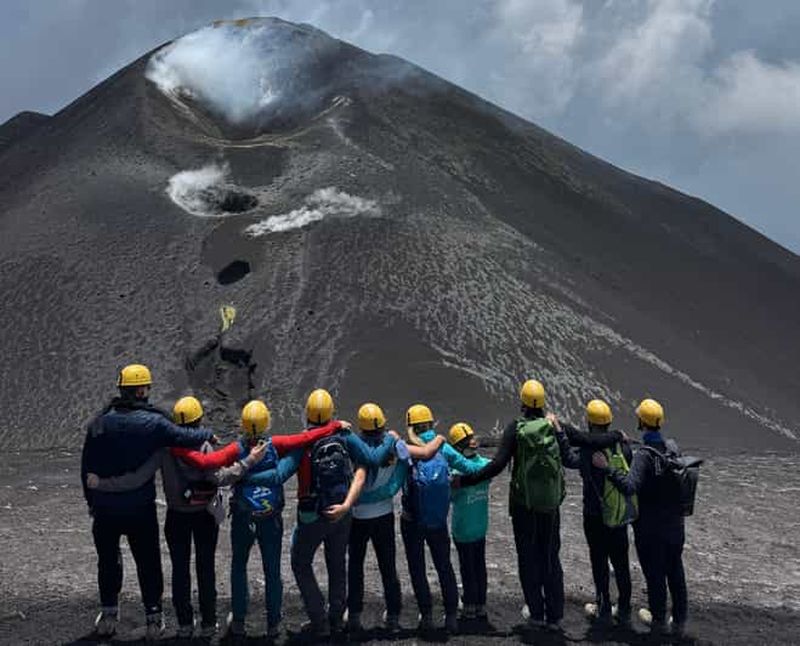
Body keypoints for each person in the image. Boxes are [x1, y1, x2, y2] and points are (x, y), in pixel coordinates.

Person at [86, 395, 266, 639]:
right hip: (204, 517)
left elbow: (138, 478)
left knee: (180, 572)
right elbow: (220, 477)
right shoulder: (204, 447)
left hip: (176, 517)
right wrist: (248, 462)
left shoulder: (164, 449)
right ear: (199, 419)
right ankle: (208, 623)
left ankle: (184, 624)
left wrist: (103, 484)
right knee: (206, 570)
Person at [456, 380, 622, 632]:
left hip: (523, 506)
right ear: (543, 402)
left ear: (523, 403)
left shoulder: (516, 429)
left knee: (528, 558)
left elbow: (498, 465)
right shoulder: (555, 426)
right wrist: (617, 436)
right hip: (550, 506)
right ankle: (554, 616)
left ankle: (535, 613)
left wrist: (465, 480)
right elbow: (589, 440)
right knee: (550, 558)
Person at [80, 364, 214, 640]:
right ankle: (154, 617)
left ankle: (109, 614)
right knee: (148, 562)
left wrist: (92, 499)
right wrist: (206, 434)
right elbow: (183, 436)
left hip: (105, 507)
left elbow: (87, 465)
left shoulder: (99, 422)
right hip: (140, 507)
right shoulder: (153, 423)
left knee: (108, 560)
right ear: (141, 389)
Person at [227, 398, 347, 640]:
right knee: (273, 571)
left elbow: (212, 466)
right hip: (272, 519)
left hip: (243, 518)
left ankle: (239, 621)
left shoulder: (236, 450)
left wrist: (242, 478)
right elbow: (302, 441)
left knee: (239, 566)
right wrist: (333, 427)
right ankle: (274, 623)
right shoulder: (275, 445)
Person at [290, 389, 399, 638]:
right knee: (337, 564)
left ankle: (319, 619)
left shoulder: (302, 441)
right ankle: (337, 619)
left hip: (312, 515)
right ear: (332, 413)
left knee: (300, 562)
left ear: (308, 413)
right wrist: (391, 439)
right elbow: (372, 458)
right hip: (342, 513)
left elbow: (280, 472)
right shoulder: (345, 437)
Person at [592, 398, 690, 637]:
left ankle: (658, 622)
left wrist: (607, 468)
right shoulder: (672, 448)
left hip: (651, 529)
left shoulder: (644, 456)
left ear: (641, 422)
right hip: (675, 526)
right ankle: (679, 621)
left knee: (655, 576)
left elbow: (629, 486)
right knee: (676, 572)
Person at [346, 403, 444, 636]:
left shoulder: (354, 446)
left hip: (358, 516)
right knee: (388, 567)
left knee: (355, 568)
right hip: (383, 515)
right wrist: (439, 439)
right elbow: (425, 453)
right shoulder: (395, 444)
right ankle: (393, 617)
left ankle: (355, 617)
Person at [402, 403, 485, 634]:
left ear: (411, 425)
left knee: (417, 567)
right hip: (437, 520)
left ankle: (426, 615)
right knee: (444, 566)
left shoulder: (405, 447)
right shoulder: (444, 447)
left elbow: (394, 484)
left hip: (412, 519)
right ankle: (450, 615)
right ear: (430, 423)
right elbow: (470, 468)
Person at [567, 400, 634, 628]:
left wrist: (559, 437)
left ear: (589, 422)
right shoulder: (623, 447)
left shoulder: (588, 451)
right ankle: (624, 609)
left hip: (595, 515)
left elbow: (570, 460)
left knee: (599, 562)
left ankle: (603, 608)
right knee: (622, 562)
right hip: (618, 515)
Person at [447, 422, 491, 624]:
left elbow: (450, 496)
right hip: (480, 526)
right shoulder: (485, 465)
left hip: (462, 528)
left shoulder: (454, 472)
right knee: (479, 565)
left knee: (467, 567)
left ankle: (470, 606)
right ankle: (481, 605)